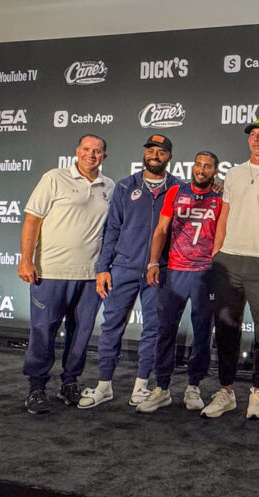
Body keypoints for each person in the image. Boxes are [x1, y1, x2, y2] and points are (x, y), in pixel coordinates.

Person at [78, 134, 182, 409]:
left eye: (161, 152)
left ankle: (141, 386)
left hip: (159, 271)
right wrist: (103, 269)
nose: (155, 155)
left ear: (169, 156)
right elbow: (111, 229)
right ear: (144, 154)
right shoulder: (125, 186)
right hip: (123, 268)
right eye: (150, 150)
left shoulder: (179, 189)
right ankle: (104, 386)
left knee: (153, 328)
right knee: (111, 326)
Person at [202, 119, 259, 420]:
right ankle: (226, 391)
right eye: (252, 135)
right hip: (228, 260)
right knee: (227, 329)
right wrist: (217, 252)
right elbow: (224, 216)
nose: (256, 139)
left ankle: (257, 392)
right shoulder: (234, 174)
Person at [19, 134, 114, 414]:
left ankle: (69, 383)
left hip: (90, 275)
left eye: (97, 151)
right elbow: (32, 220)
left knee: (81, 333)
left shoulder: (109, 186)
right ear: (76, 152)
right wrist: (26, 260)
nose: (91, 155)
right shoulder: (54, 178)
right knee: (43, 331)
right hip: (51, 271)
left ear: (104, 157)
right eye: (86, 149)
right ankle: (36, 388)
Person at [136, 151, 222, 414]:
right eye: (198, 164)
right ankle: (161, 387)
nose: (202, 169)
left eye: (208, 166)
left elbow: (223, 232)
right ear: (192, 167)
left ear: (214, 171)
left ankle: (193, 386)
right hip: (175, 271)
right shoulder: (175, 192)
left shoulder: (221, 197)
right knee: (165, 330)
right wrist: (153, 262)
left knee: (202, 332)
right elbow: (161, 229)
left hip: (204, 273)